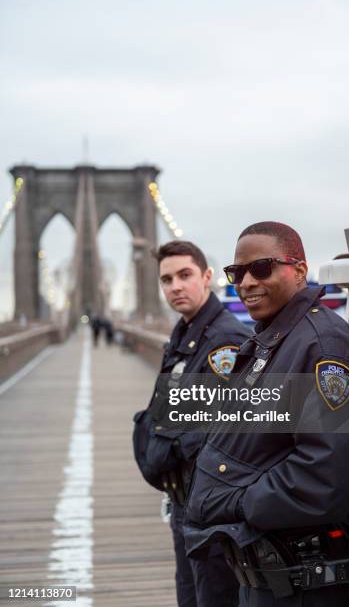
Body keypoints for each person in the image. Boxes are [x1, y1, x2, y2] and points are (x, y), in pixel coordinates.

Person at [183, 222, 349, 607]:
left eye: (263, 267)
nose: (247, 282)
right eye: (237, 273)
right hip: (264, 576)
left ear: (300, 270)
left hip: (300, 586)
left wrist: (236, 499)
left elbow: (327, 477)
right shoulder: (272, 340)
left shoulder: (325, 347)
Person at [133, 240, 251, 607]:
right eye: (167, 279)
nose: (175, 287)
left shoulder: (224, 341)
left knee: (212, 598)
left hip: (211, 507)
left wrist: (164, 451)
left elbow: (223, 427)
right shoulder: (185, 333)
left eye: (185, 275)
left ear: (207, 277)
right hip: (185, 499)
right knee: (190, 596)